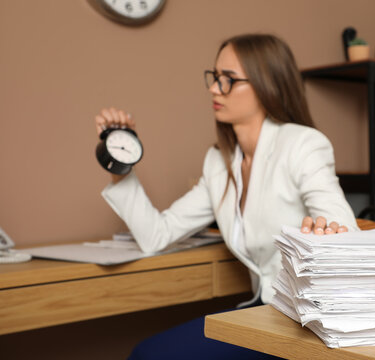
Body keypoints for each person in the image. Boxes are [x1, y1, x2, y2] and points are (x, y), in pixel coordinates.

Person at [95, 33, 359, 359]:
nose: (214, 88)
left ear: (266, 85)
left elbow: (346, 240)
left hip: (306, 325)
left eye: (228, 80)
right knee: (146, 352)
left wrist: (322, 238)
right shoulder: (219, 163)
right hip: (263, 314)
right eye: (215, 77)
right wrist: (120, 159)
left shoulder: (302, 145)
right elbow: (156, 234)